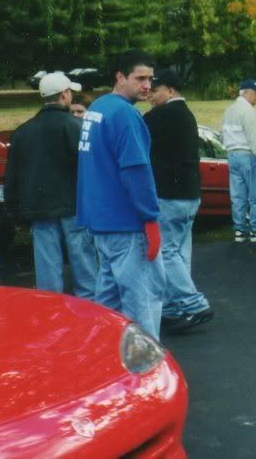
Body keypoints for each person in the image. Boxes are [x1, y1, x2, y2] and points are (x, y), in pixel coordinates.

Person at [76, 50, 165, 339]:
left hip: (102, 222)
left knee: (109, 302)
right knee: (144, 300)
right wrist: (150, 217)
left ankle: (103, 361)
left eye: (150, 79)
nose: (147, 86)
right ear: (120, 77)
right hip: (127, 224)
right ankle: (147, 373)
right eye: (140, 78)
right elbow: (136, 170)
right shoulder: (125, 115)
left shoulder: (98, 108)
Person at [4, 71, 97, 298]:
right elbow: (92, 170)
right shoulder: (77, 127)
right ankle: (92, 315)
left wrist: (14, 213)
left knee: (48, 275)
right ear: (64, 94)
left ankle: (53, 317)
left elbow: (12, 176)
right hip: (75, 208)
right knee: (85, 271)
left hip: (39, 209)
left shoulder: (23, 132)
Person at [144, 69, 214, 334]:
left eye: (155, 88)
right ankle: (175, 307)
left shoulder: (160, 116)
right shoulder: (186, 114)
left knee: (167, 252)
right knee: (180, 252)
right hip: (190, 195)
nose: (150, 93)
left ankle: (193, 303)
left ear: (170, 91)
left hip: (169, 196)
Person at [221, 79, 256, 244]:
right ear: (245, 92)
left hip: (232, 155)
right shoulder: (248, 112)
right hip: (248, 156)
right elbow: (255, 140)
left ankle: (240, 230)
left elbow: (222, 134)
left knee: (238, 196)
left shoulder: (228, 111)